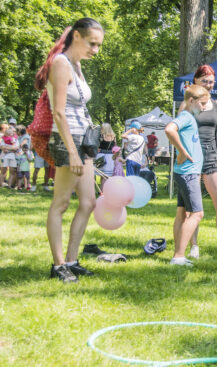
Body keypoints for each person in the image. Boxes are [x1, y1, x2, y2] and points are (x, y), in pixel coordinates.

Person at [35, 18, 104, 282]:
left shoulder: (76, 65)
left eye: (98, 45)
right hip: (67, 140)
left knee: (88, 202)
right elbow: (60, 112)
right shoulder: (61, 64)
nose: (95, 50)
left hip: (82, 139)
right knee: (61, 203)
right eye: (92, 43)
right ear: (77, 36)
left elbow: (79, 108)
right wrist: (72, 152)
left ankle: (72, 260)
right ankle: (58, 265)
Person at [188, 65, 217, 260]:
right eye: (204, 80)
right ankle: (194, 246)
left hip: (212, 156)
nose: (208, 84)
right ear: (195, 81)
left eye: (211, 81)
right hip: (192, 157)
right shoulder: (189, 103)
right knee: (193, 206)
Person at [164, 84, 209, 266]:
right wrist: (181, 152)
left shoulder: (188, 117)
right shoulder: (187, 117)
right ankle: (179, 256)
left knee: (182, 214)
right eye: (202, 103)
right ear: (192, 101)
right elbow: (169, 129)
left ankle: (178, 254)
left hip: (185, 172)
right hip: (188, 173)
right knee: (197, 214)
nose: (204, 107)